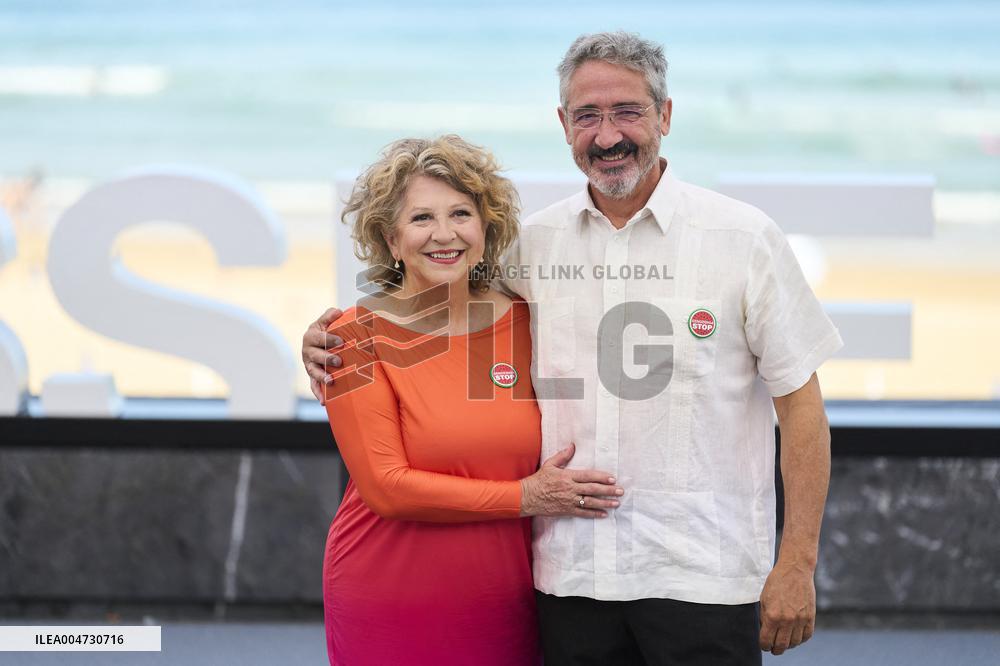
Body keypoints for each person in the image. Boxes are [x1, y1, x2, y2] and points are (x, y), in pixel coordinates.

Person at [304, 32, 842, 665]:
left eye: (627, 112)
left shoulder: (742, 239)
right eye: (588, 116)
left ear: (665, 115)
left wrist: (797, 562)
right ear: (564, 126)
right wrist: (329, 336)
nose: (608, 135)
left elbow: (801, 406)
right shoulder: (531, 248)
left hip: (702, 577)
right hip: (570, 583)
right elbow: (429, 298)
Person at [319, 134, 623, 666]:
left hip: (505, 598)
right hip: (388, 594)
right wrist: (527, 497)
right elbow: (387, 489)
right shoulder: (352, 336)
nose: (444, 234)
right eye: (421, 219)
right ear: (391, 240)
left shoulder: (528, 321)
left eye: (461, 213)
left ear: (486, 227)